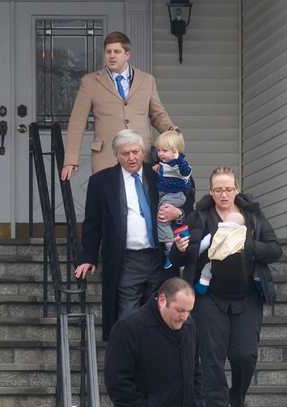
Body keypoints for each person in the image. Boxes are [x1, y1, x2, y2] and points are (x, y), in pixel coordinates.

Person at [171, 166, 282, 407]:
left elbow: (275, 250)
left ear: (236, 190)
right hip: (210, 298)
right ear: (211, 191)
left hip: (247, 297)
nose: (224, 194)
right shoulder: (198, 217)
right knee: (212, 359)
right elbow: (181, 260)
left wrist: (245, 243)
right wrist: (179, 249)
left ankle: (238, 398)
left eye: (228, 189)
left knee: (245, 356)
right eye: (218, 189)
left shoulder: (253, 216)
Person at [74, 129, 194, 341]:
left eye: (136, 152)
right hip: (127, 259)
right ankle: (129, 364)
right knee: (127, 318)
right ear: (116, 155)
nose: (131, 157)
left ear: (144, 152)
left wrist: (179, 213)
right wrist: (87, 257)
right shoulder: (101, 182)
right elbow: (93, 223)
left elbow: (189, 198)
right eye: (125, 153)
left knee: (161, 317)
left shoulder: (160, 172)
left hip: (160, 257)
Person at [61, 31, 178, 181]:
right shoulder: (90, 82)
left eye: (117, 51)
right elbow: (77, 122)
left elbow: (158, 115)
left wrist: (173, 133)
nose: (111, 56)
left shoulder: (147, 80)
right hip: (106, 155)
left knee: (141, 200)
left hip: (140, 153)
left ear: (127, 54)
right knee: (109, 201)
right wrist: (71, 159)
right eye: (108, 52)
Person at [102, 277, 202, 407]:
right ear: (162, 300)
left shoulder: (189, 327)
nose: (184, 317)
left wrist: (197, 404)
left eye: (188, 311)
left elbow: (196, 371)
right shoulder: (129, 328)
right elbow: (117, 381)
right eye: (179, 310)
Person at [152, 130, 193, 269]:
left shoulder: (180, 164)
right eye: (159, 150)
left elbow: (186, 171)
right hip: (166, 194)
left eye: (165, 150)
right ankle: (181, 232)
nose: (160, 154)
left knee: (162, 217)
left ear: (175, 151)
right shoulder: (163, 164)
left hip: (175, 195)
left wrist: (178, 158)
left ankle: (170, 249)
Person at [193, 210, 246, 293]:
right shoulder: (243, 234)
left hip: (217, 259)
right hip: (237, 262)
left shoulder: (217, 231)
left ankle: (203, 284)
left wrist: (197, 253)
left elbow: (204, 244)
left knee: (207, 268)